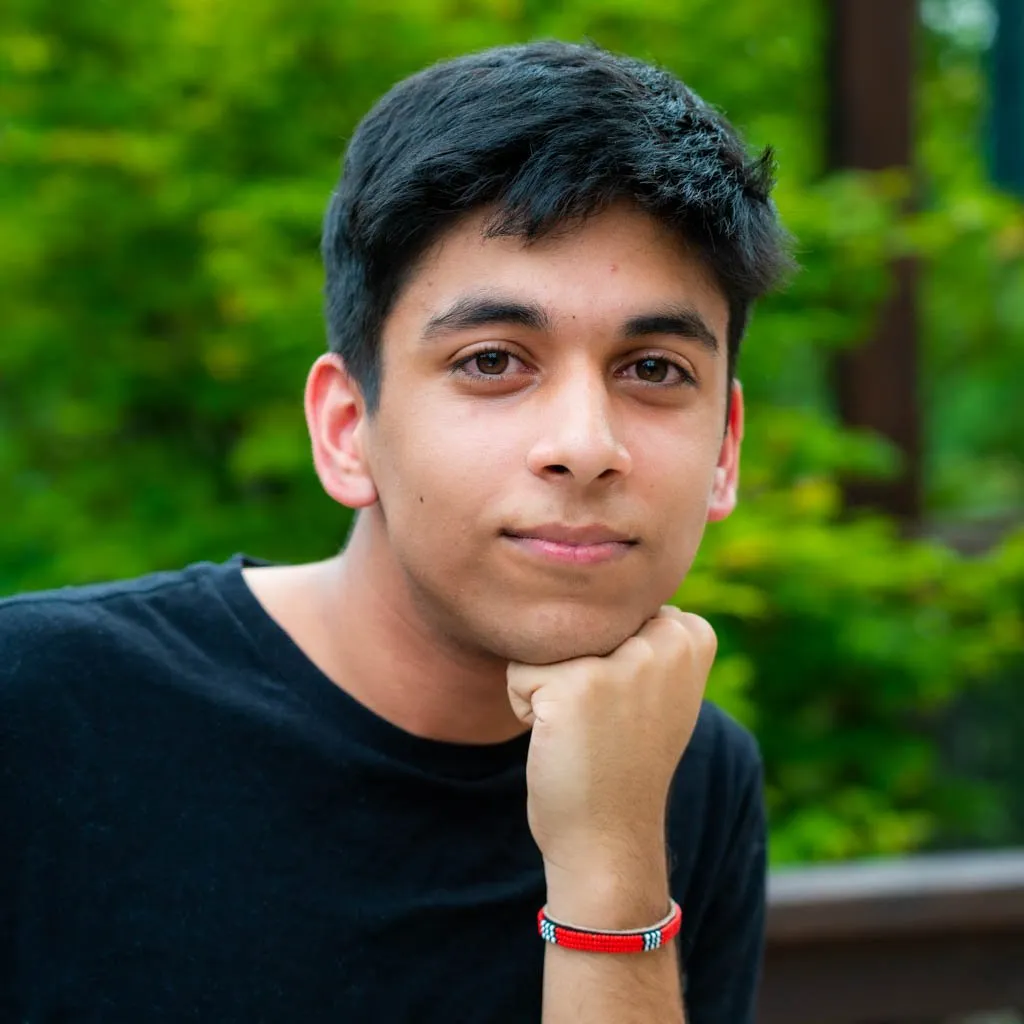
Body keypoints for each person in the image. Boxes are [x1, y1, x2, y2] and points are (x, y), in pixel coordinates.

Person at [0, 40, 791, 1023]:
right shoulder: (37, 706)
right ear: (346, 430)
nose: (586, 446)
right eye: (494, 360)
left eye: (654, 369)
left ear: (725, 447)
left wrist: (611, 857)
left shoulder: (684, 765)